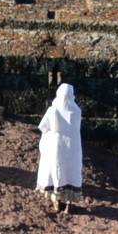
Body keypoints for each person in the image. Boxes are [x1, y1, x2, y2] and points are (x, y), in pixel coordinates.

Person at [33, 83, 84, 212]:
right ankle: (69, 204)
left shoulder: (53, 110)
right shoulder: (76, 111)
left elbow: (43, 127)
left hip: (56, 148)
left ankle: (57, 201)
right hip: (73, 149)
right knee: (71, 173)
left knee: (56, 171)